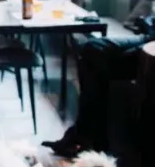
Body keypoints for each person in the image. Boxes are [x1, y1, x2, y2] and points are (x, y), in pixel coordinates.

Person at [42, 14, 155, 157]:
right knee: (92, 47)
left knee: (96, 61)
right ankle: (88, 138)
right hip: (149, 36)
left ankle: (85, 137)